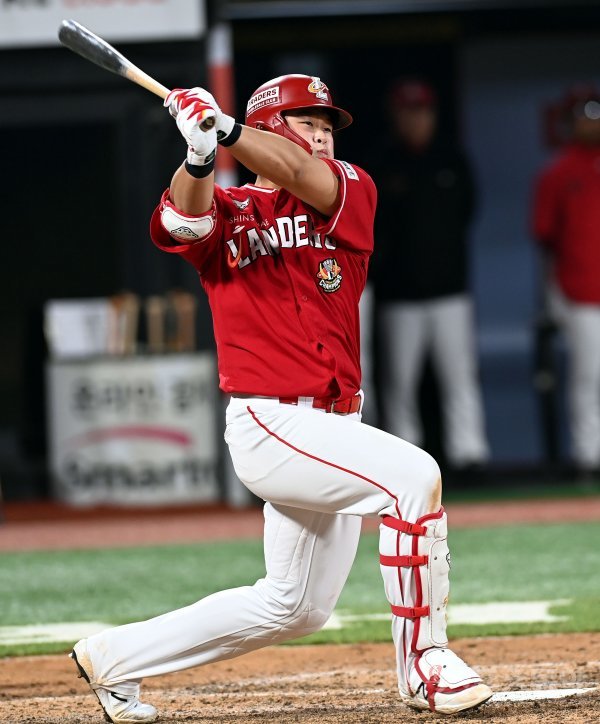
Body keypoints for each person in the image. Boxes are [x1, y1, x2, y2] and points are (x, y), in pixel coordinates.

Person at [70, 74, 492, 722]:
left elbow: (298, 172)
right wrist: (200, 155)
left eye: (327, 127)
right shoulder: (230, 210)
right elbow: (183, 219)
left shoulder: (348, 188)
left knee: (295, 606)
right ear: (269, 128)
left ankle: (115, 656)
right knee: (415, 478)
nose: (323, 136)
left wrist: (226, 129)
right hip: (270, 420)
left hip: (334, 423)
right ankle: (424, 664)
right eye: (307, 123)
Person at [371, 79, 489, 475]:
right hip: (398, 296)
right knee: (398, 384)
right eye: (408, 112)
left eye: (422, 112)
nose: (416, 120)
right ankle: (405, 462)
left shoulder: (451, 159)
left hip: (450, 292)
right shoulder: (383, 163)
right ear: (395, 116)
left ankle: (468, 455)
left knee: (460, 378)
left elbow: (468, 213)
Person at [533, 85, 600, 480]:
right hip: (579, 290)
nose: (591, 122)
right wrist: (551, 297)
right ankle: (589, 458)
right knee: (589, 376)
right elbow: (544, 237)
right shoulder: (558, 172)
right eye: (584, 115)